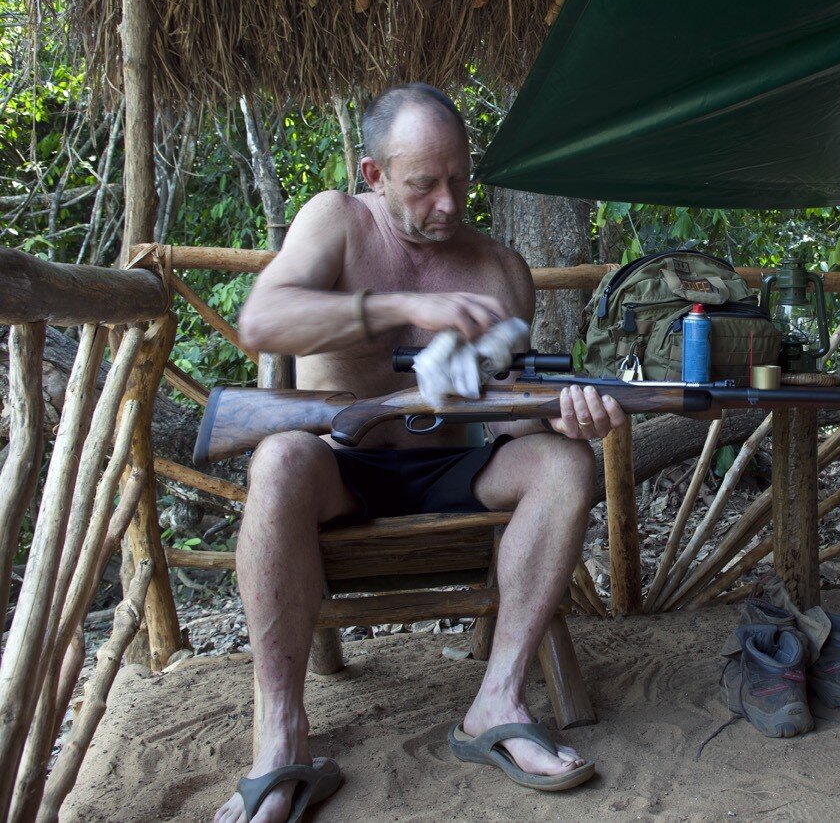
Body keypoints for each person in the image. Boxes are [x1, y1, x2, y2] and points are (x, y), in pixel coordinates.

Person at [214, 82, 625, 823]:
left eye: (459, 179)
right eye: (423, 184)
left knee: (564, 466)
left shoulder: (501, 269)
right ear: (374, 176)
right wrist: (403, 307)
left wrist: (566, 421)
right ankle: (280, 740)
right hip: (343, 468)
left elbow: (510, 426)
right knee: (277, 459)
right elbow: (262, 318)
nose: (446, 202)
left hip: (455, 468)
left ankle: (495, 703)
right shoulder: (335, 221)